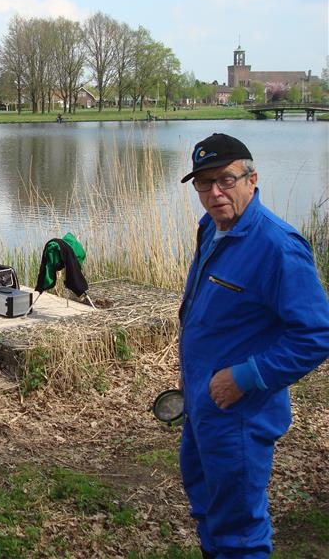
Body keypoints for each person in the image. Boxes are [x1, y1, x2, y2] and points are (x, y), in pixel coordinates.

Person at [178, 132, 329, 558]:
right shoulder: (212, 227)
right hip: (202, 402)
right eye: (203, 183)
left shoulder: (277, 246)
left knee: (240, 529)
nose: (214, 193)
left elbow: (317, 334)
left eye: (225, 180)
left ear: (252, 179)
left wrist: (244, 377)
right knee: (206, 502)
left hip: (240, 414)